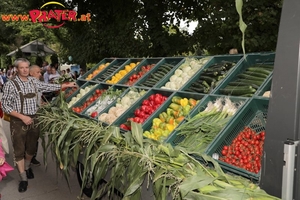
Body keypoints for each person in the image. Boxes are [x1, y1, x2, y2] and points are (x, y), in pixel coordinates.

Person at [1, 58, 77, 193]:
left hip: (34, 119)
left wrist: (65, 85)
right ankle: (23, 178)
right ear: (17, 69)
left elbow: (49, 87)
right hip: (18, 121)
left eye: (26, 67)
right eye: (22, 68)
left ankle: (28, 166)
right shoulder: (10, 85)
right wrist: (22, 117)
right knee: (19, 150)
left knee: (31, 148)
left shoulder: (33, 81)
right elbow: (5, 106)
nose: (24, 70)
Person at [29, 65, 43, 166]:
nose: (40, 74)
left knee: (35, 137)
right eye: (38, 72)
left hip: (37, 114)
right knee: (28, 139)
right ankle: (26, 166)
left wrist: (42, 104)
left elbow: (39, 98)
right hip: (28, 116)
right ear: (31, 73)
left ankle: (33, 157)